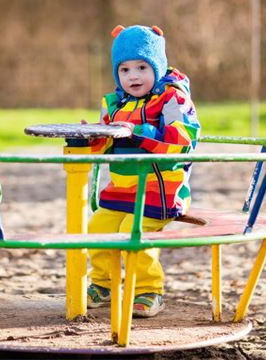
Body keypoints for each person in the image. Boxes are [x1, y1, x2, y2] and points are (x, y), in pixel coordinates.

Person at [86, 24, 201, 317]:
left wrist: (139, 132)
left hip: (161, 190)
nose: (133, 76)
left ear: (157, 67)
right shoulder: (113, 104)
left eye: (141, 67)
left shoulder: (172, 98)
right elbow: (103, 151)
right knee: (98, 227)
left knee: (131, 232)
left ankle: (148, 290)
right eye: (124, 70)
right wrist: (95, 137)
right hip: (122, 190)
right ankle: (103, 285)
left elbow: (181, 142)